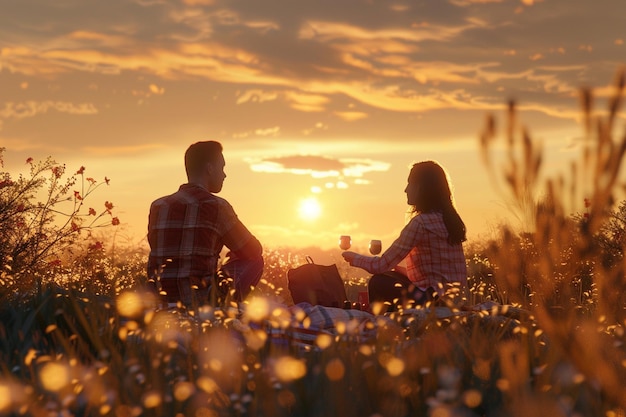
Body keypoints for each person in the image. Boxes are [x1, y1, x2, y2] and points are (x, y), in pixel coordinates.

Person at [147, 141, 264, 307]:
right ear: (209, 168)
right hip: (201, 303)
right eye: (222, 167)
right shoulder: (216, 206)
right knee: (255, 259)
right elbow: (253, 250)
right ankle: (224, 312)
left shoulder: (158, 206)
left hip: (160, 300)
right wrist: (233, 256)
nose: (224, 175)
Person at [342, 160, 467, 310]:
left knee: (379, 281)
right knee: (392, 275)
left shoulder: (421, 223)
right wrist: (401, 271)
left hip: (432, 301)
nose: (406, 190)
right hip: (456, 301)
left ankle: (385, 327)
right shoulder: (450, 221)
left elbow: (379, 265)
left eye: (410, 184)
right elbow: (436, 273)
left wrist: (354, 258)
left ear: (422, 188)